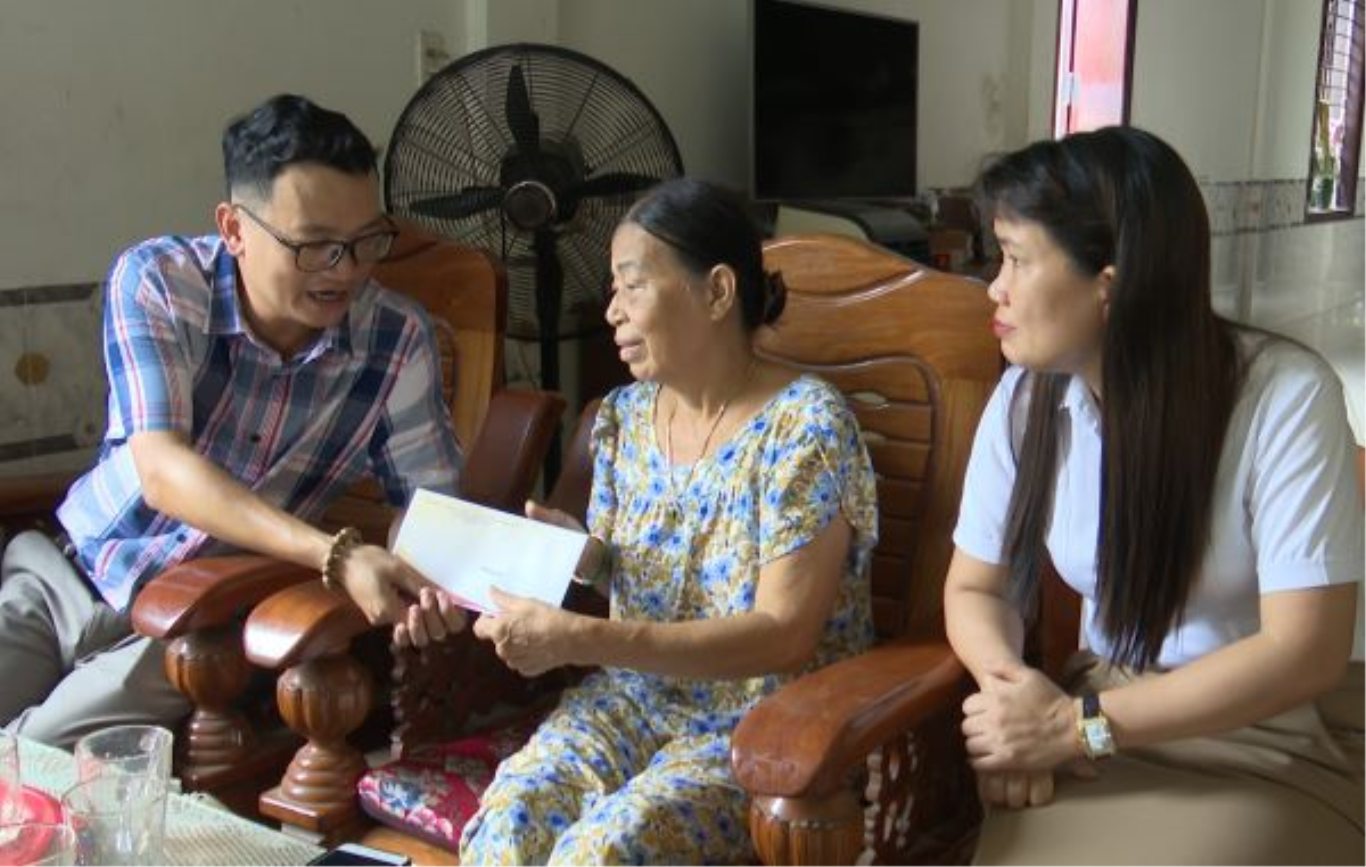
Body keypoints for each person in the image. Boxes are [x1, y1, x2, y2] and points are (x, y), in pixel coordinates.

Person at [399, 177, 878, 864]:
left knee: (602, 852)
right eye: (613, 289)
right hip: (632, 696)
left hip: (765, 724)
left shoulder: (805, 426)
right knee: (509, 820)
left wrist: (582, 637)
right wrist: (586, 557)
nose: (612, 311)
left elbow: (785, 634)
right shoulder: (623, 418)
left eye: (632, 286)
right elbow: (641, 575)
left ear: (717, 291)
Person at [945, 126, 1366, 866]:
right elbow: (976, 587)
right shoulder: (1024, 401)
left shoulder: (1285, 398)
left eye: (1016, 258)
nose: (995, 287)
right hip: (1100, 704)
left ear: (1108, 283)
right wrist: (1015, 707)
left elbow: (1306, 650)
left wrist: (1072, 728)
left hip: (1279, 728)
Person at [0, 94, 464, 749]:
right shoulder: (160, 283)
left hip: (196, 624)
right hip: (67, 574)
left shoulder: (397, 337)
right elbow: (163, 470)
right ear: (235, 228)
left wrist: (428, 578)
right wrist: (334, 554)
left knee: (25, 762)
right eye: (314, 245)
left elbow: (433, 507)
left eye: (366, 241)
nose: (346, 270)